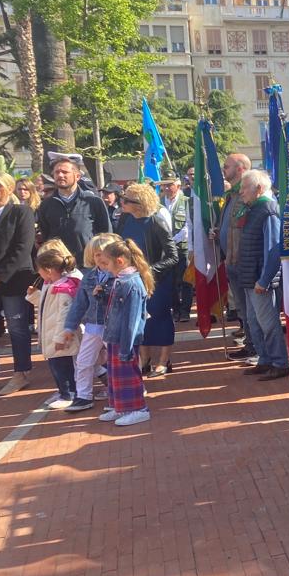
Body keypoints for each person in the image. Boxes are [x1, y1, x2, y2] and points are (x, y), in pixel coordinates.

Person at [116, 184, 178, 377]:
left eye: (126, 200)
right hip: (131, 279)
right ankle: (145, 359)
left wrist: (148, 271)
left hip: (155, 281)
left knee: (160, 317)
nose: (122, 202)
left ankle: (164, 361)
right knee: (139, 318)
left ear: (138, 203)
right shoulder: (125, 219)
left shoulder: (156, 221)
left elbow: (173, 256)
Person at [235, 169, 288, 381]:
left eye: (244, 188)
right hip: (250, 277)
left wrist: (264, 280)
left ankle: (280, 363)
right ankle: (265, 359)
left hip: (260, 279)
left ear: (258, 188)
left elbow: (273, 249)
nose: (241, 192)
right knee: (253, 321)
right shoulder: (255, 208)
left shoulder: (268, 210)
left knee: (268, 324)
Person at [98, 237, 155, 426]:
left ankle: (139, 408)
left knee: (128, 374)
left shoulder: (132, 283)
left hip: (125, 339)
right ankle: (120, 406)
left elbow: (132, 319)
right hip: (116, 336)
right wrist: (102, 296)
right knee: (115, 375)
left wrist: (126, 346)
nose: (105, 268)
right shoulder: (121, 280)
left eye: (107, 263)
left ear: (120, 261)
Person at [60, 233, 118, 411]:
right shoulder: (89, 277)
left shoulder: (119, 275)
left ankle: (122, 394)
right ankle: (83, 396)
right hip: (93, 325)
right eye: (97, 254)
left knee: (118, 361)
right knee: (84, 361)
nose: (100, 258)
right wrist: (69, 326)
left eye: (104, 253)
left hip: (114, 326)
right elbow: (79, 304)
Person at [27, 239, 83, 409]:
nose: (38, 274)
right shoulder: (51, 284)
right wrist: (33, 296)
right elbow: (47, 306)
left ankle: (69, 394)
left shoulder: (63, 288)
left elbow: (63, 316)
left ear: (49, 270)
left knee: (63, 368)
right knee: (56, 367)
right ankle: (63, 392)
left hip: (59, 338)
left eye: (39, 270)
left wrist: (60, 338)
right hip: (51, 335)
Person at [0, 173, 37, 396]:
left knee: (16, 327)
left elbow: (23, 248)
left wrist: (0, 276)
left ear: (9, 188)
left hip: (14, 279)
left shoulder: (21, 212)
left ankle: (21, 373)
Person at [36, 158, 110, 267]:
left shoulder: (93, 202)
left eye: (65, 172)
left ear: (77, 176)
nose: (60, 175)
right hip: (59, 266)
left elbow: (106, 235)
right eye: (57, 172)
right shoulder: (46, 205)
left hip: (88, 266)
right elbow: (46, 235)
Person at [216, 153, 254, 359]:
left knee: (252, 310)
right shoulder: (231, 195)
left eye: (227, 166)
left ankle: (257, 348)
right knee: (242, 308)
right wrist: (218, 231)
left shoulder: (248, 194)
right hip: (230, 259)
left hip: (244, 261)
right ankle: (250, 344)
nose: (224, 170)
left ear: (240, 169)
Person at [160, 178, 192, 322]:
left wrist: (173, 241)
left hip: (182, 248)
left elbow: (188, 226)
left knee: (185, 280)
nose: (167, 188)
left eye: (170, 185)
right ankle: (176, 309)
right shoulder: (159, 202)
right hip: (165, 250)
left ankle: (185, 311)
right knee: (170, 281)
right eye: (165, 185)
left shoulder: (186, 201)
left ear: (178, 186)